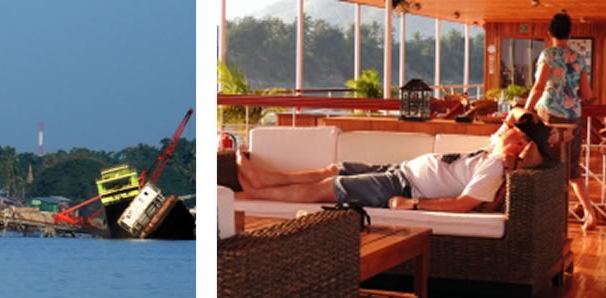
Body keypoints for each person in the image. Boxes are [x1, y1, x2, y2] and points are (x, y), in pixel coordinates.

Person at [235, 112, 550, 213]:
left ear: (522, 143)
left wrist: (414, 205)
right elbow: (515, 112)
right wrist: (527, 132)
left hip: (402, 185)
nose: (506, 126)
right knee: (334, 168)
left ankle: (248, 197)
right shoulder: (496, 146)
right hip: (398, 169)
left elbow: (463, 204)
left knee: (328, 187)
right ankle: (264, 180)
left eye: (514, 130)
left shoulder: (495, 167)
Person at [523, 12, 598, 230]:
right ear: (570, 33)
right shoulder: (578, 58)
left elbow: (538, 88)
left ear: (549, 33)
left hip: (550, 115)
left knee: (545, 165)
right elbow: (586, 94)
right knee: (572, 168)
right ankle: (589, 214)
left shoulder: (548, 55)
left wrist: (527, 111)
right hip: (573, 117)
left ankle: (549, 217)